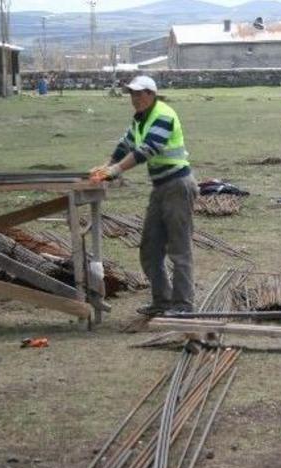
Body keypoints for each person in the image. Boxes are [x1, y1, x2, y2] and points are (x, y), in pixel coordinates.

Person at [90, 75, 198, 316]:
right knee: (150, 249)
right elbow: (125, 145)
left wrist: (115, 171)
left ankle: (183, 305)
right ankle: (162, 302)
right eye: (132, 94)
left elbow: (146, 150)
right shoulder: (140, 120)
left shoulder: (163, 115)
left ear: (152, 94)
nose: (135, 99)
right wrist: (104, 166)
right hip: (160, 187)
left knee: (179, 249)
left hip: (178, 185)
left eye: (139, 94)